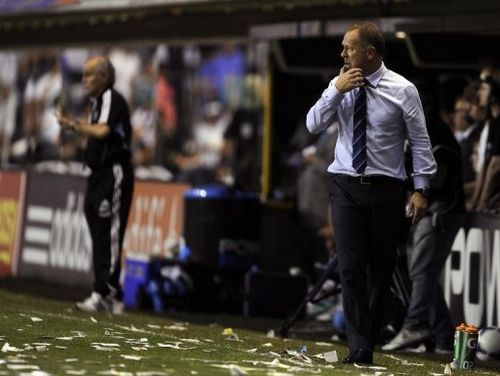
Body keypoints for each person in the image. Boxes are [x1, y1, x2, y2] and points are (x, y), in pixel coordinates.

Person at [306, 22, 436, 364]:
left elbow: (421, 142)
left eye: (349, 48)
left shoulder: (403, 90)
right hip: (345, 186)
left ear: (371, 53)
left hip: (387, 189)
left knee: (380, 269)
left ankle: (371, 334)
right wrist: (335, 89)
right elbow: (312, 124)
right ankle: (360, 347)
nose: (343, 54)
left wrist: (421, 188)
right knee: (349, 268)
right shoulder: (340, 85)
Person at [382, 107, 465, 354]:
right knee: (424, 275)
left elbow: (433, 183)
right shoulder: (420, 137)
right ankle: (443, 337)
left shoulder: (438, 141)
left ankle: (415, 324)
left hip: (441, 212)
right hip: (430, 212)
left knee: (421, 271)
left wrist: (403, 178)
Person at [56, 56, 134, 314]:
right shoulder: (98, 102)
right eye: (84, 74)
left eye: (90, 74)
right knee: (97, 227)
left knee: (108, 231)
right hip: (97, 174)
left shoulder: (111, 97)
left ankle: (106, 292)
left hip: (114, 172)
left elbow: (103, 131)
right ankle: (105, 290)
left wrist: (75, 125)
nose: (84, 79)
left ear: (104, 77)